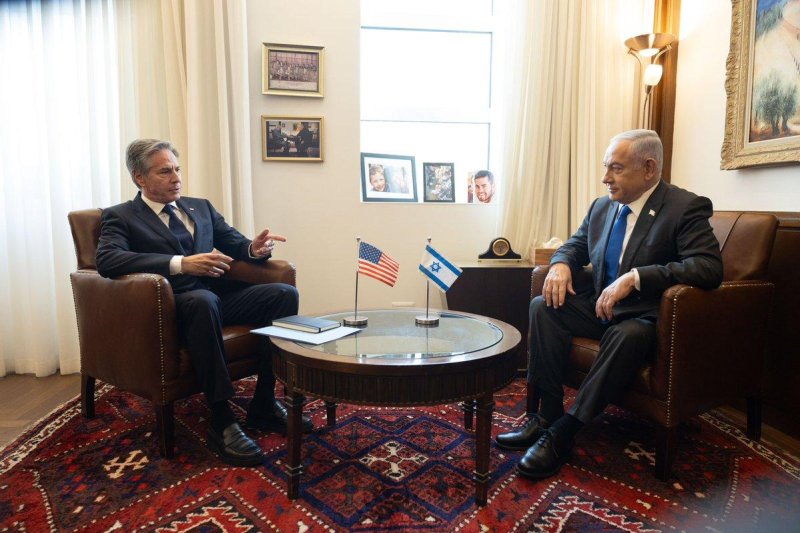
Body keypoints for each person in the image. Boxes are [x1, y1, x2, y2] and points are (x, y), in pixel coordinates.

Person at [495, 129, 723, 480]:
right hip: (601, 307)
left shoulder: (684, 207)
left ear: (648, 168)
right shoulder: (603, 207)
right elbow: (574, 245)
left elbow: (707, 268)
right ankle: (547, 415)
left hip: (647, 318)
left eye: (615, 168)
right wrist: (559, 265)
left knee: (627, 335)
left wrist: (636, 277)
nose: (605, 178)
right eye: (606, 168)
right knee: (543, 306)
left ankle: (564, 432)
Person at [96, 139, 313, 467]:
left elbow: (236, 244)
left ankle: (265, 403)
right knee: (202, 300)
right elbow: (108, 260)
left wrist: (255, 248)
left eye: (177, 169)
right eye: (165, 171)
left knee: (283, 294)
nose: (176, 178)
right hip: (171, 306)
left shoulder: (200, 207)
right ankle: (222, 419)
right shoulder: (121, 217)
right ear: (139, 178)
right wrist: (180, 264)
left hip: (217, 299)